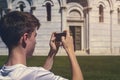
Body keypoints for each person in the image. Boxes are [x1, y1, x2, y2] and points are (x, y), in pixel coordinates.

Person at [0, 11, 83, 80]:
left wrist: (52, 53)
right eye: (34, 36)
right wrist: (70, 50)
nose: (35, 42)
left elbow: (39, 74)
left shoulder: (2, 72)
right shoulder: (34, 75)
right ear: (25, 38)